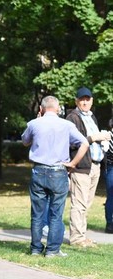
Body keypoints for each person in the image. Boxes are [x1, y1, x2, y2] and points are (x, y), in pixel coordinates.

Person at [21, 95, 88, 257]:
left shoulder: (34, 124)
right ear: (58, 109)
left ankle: (36, 248)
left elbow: (25, 141)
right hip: (58, 171)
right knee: (56, 212)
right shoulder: (67, 125)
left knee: (37, 213)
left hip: (39, 170)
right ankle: (52, 250)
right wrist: (73, 163)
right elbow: (84, 143)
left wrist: (36, 120)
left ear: (41, 109)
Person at [65, 87, 111, 248]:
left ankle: (82, 236)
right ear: (77, 101)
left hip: (95, 165)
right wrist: (93, 138)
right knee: (79, 203)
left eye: (88, 99)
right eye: (82, 99)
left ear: (92, 101)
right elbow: (72, 141)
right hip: (81, 166)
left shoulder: (92, 117)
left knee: (87, 203)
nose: (85, 102)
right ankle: (76, 238)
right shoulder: (72, 118)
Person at [105, 119, 113, 233]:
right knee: (111, 197)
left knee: (111, 196)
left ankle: (110, 224)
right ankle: (110, 223)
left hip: (110, 168)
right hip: (111, 167)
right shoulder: (108, 136)